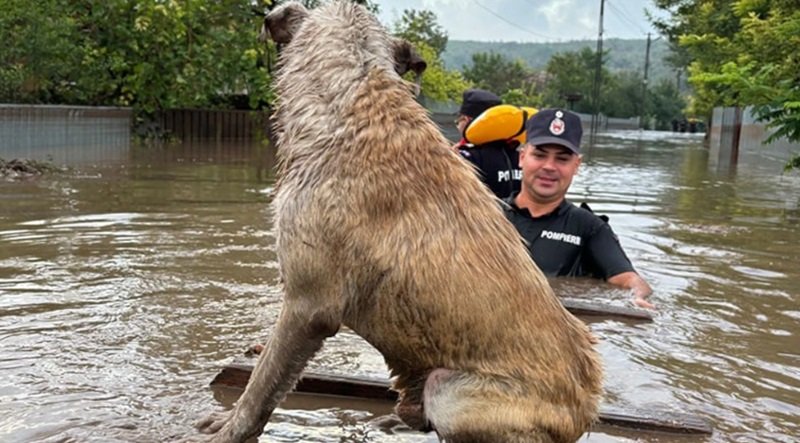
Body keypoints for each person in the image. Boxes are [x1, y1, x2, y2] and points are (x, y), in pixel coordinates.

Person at [503, 108, 655, 309]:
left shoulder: (589, 227)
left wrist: (637, 298)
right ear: (522, 158)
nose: (549, 166)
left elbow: (629, 279)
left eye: (562, 159)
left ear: (577, 165)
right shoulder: (486, 213)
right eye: (539, 155)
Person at [453, 89, 522, 199]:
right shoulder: (520, 157)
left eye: (459, 121)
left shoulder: (467, 157)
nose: (458, 125)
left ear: (466, 120)